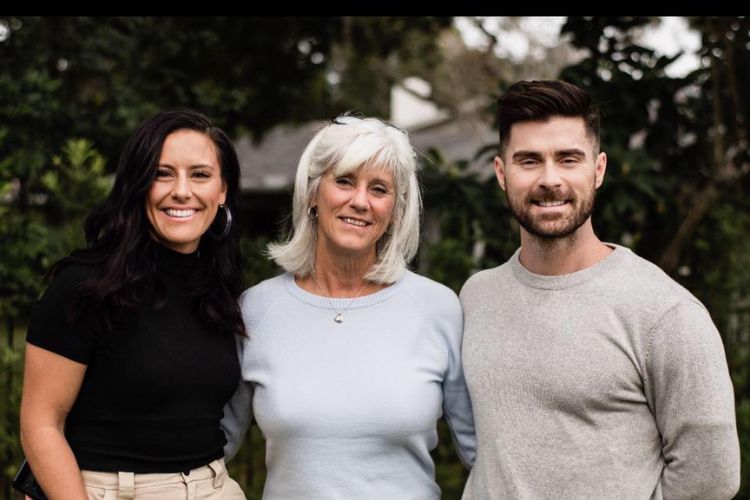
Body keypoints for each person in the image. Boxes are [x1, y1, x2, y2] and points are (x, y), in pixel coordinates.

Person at [459, 80, 740, 499]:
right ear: (502, 173)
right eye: (529, 161)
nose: (549, 179)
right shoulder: (476, 296)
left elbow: (710, 477)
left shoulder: (665, 312)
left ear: (599, 169)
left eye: (568, 159)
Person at [221, 114, 476, 499]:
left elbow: (483, 455)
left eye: (379, 189)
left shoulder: (438, 308)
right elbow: (210, 447)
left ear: (395, 211)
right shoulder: (257, 309)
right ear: (312, 193)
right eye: (343, 181)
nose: (360, 201)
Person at [20, 110, 247, 499]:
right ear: (139, 185)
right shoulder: (85, 285)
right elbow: (40, 423)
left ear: (222, 190)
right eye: (162, 174)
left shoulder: (218, 287)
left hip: (214, 487)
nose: (181, 191)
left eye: (200, 174)